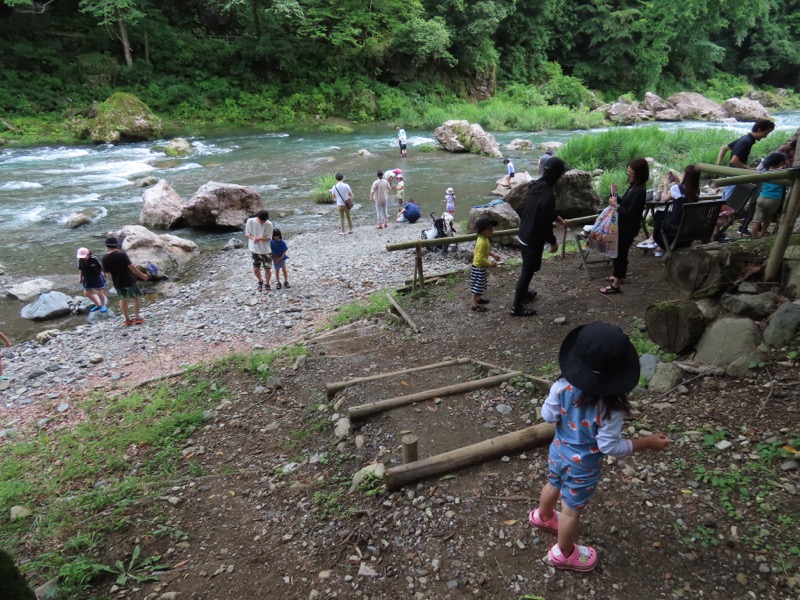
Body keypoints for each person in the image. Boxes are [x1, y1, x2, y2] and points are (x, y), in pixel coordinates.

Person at [529, 322, 670, 572]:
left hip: (558, 452)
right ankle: (564, 554)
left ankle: (544, 516)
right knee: (571, 511)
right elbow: (609, 446)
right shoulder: (609, 409)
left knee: (552, 484)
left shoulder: (561, 386)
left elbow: (548, 416)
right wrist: (645, 443)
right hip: (582, 468)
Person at [510, 157, 567, 317]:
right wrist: (553, 242)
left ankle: (524, 293)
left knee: (532, 268)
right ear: (558, 175)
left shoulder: (535, 185)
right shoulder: (549, 194)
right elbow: (543, 224)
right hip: (532, 239)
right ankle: (516, 307)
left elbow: (541, 209)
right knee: (527, 272)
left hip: (524, 233)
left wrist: (556, 217)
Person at [599, 158, 649, 294]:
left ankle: (616, 285)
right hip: (623, 225)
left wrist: (616, 205)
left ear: (639, 174)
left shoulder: (640, 190)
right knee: (617, 252)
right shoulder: (633, 187)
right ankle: (617, 275)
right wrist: (614, 194)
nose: (629, 176)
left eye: (631, 173)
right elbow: (625, 204)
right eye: (628, 173)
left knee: (620, 254)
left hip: (628, 227)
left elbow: (630, 213)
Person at [716, 119, 775, 209]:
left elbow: (724, 148)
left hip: (731, 173)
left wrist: (718, 164)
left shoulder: (744, 138)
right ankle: (720, 219)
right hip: (735, 175)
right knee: (728, 201)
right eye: (766, 133)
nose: (765, 136)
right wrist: (748, 168)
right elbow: (734, 160)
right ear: (759, 130)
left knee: (726, 198)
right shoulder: (747, 142)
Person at [650, 165, 701, 256]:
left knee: (659, 217)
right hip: (689, 233)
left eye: (684, 172)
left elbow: (664, 199)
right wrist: (678, 182)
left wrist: (666, 184)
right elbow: (684, 193)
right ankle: (652, 241)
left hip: (673, 233)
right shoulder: (696, 191)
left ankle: (656, 244)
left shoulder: (675, 189)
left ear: (686, 175)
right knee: (665, 215)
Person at [101, 237, 150, 326]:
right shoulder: (122, 254)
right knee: (134, 298)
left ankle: (127, 319)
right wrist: (142, 275)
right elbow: (131, 266)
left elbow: (106, 274)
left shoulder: (104, 258)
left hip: (117, 282)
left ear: (107, 246)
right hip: (129, 280)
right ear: (116, 245)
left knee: (122, 299)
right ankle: (137, 318)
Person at [750, 153, 788, 239]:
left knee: (756, 219)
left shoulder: (764, 171)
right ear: (781, 163)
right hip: (774, 199)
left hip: (762, 197)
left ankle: (754, 236)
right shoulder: (782, 173)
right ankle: (762, 234)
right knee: (768, 218)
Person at [470, 217, 501, 312]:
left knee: (481, 284)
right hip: (478, 267)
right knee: (477, 286)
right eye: (490, 229)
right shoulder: (481, 242)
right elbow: (479, 258)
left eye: (492, 228)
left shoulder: (484, 239)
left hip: (481, 267)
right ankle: (474, 304)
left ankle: (478, 299)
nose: (492, 231)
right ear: (483, 230)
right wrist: (490, 263)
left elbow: (485, 252)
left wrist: (493, 254)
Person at [245, 209, 274, 291]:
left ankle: (267, 284)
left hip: (266, 250)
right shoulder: (250, 221)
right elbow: (247, 234)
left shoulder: (269, 224)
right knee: (256, 269)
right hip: (255, 249)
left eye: (264, 221)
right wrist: (253, 238)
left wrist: (260, 238)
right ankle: (260, 281)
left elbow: (269, 238)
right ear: (257, 217)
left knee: (267, 269)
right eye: (261, 221)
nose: (262, 223)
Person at [76, 247, 108, 312]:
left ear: (88, 254)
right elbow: (80, 269)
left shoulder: (94, 258)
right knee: (87, 293)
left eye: (84, 256)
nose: (83, 258)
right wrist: (80, 278)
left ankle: (103, 305)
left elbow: (101, 266)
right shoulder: (80, 260)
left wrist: (105, 273)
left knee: (99, 292)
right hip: (87, 278)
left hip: (96, 277)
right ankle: (98, 305)